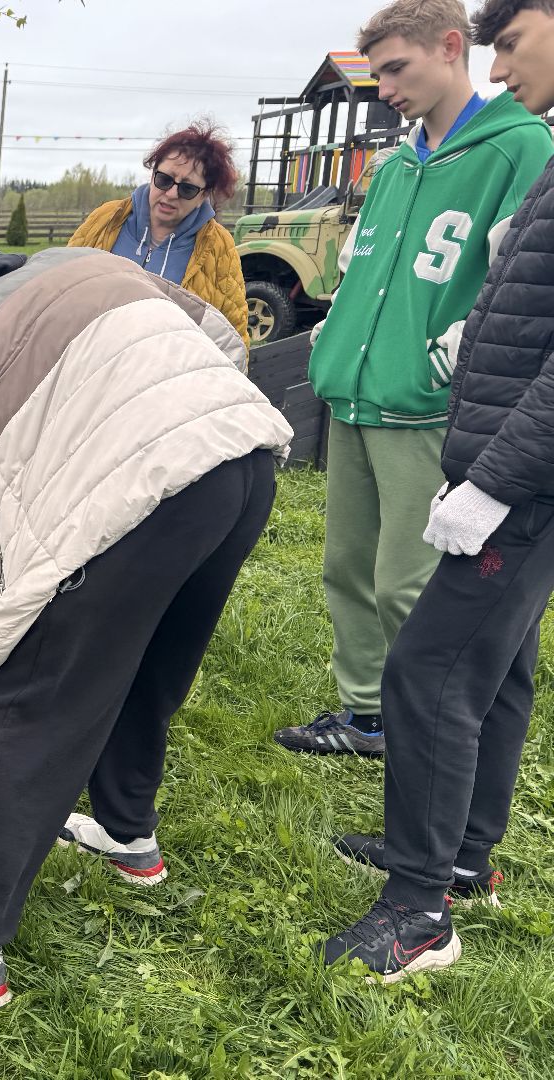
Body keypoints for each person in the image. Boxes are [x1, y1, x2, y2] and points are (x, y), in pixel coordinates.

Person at [0, 242, 292, 1011]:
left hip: (142, 493)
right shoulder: (77, 261)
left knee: (23, 697)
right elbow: (220, 337)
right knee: (146, 661)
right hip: (241, 461)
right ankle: (126, 831)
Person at [321, 0, 554, 983]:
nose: (504, 67)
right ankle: (462, 854)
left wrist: (494, 480)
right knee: (496, 671)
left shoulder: (521, 149)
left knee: (430, 673)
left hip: (518, 468)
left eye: (513, 41)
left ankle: (419, 911)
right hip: (496, 447)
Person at [272, 0, 551, 758]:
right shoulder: (393, 164)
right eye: (377, 72)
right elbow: (364, 270)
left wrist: (450, 355)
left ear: (451, 47)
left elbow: (521, 279)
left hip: (429, 407)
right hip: (356, 395)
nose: (385, 87)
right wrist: (337, 340)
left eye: (397, 67)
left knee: (408, 582)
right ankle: (367, 715)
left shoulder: (519, 146)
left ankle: (427, 728)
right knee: (346, 570)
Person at [68, 120, 249, 352]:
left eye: (187, 188)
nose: (171, 194)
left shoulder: (218, 246)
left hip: (164, 378)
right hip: (90, 360)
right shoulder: (106, 218)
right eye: (164, 179)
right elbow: (63, 284)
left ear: (204, 195)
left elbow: (232, 335)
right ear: (152, 173)